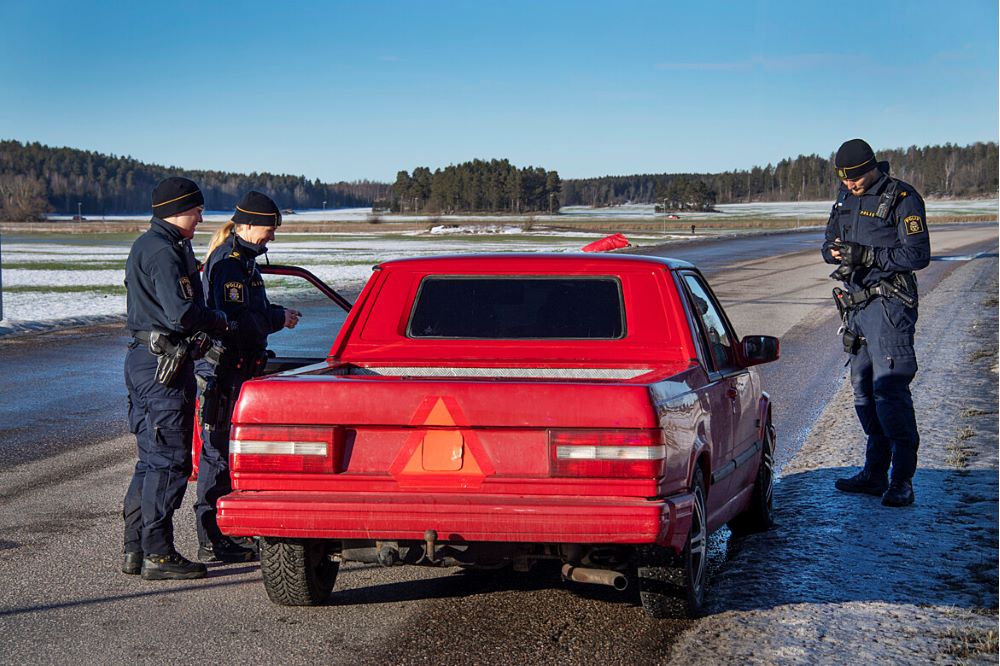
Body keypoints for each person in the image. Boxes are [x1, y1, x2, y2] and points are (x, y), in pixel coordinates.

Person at [122, 177, 230, 579]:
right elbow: (181, 313)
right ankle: (158, 554)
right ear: (177, 209)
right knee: (168, 462)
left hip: (147, 360)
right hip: (161, 365)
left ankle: (136, 549)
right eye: (197, 210)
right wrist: (219, 320)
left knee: (150, 461)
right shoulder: (163, 250)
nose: (202, 218)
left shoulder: (158, 244)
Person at [821, 139, 930, 507]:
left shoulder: (902, 198)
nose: (850, 184)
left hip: (889, 306)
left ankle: (902, 480)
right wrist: (834, 252)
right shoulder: (844, 197)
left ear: (872, 168)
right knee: (863, 390)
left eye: (855, 178)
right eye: (845, 179)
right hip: (855, 307)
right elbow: (828, 242)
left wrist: (867, 255)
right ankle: (873, 474)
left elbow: (918, 254)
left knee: (890, 391)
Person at [194, 191, 301, 562]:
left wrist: (275, 312)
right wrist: (276, 319)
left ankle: (227, 530)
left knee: (229, 452)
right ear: (249, 224)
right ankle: (212, 536)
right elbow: (235, 321)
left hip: (241, 366)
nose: (272, 236)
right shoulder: (229, 264)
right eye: (269, 229)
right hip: (225, 368)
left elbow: (251, 310)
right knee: (218, 453)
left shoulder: (246, 263)